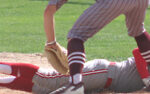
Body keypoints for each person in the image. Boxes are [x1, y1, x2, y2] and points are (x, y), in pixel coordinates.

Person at [43, 0, 150, 93]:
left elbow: (49, 11)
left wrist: (51, 42)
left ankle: (75, 85)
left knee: (76, 36)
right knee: (139, 32)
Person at [0, 48, 150, 94]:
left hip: (103, 87)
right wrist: (147, 80)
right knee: (50, 79)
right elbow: (138, 52)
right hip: (104, 72)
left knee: (43, 89)